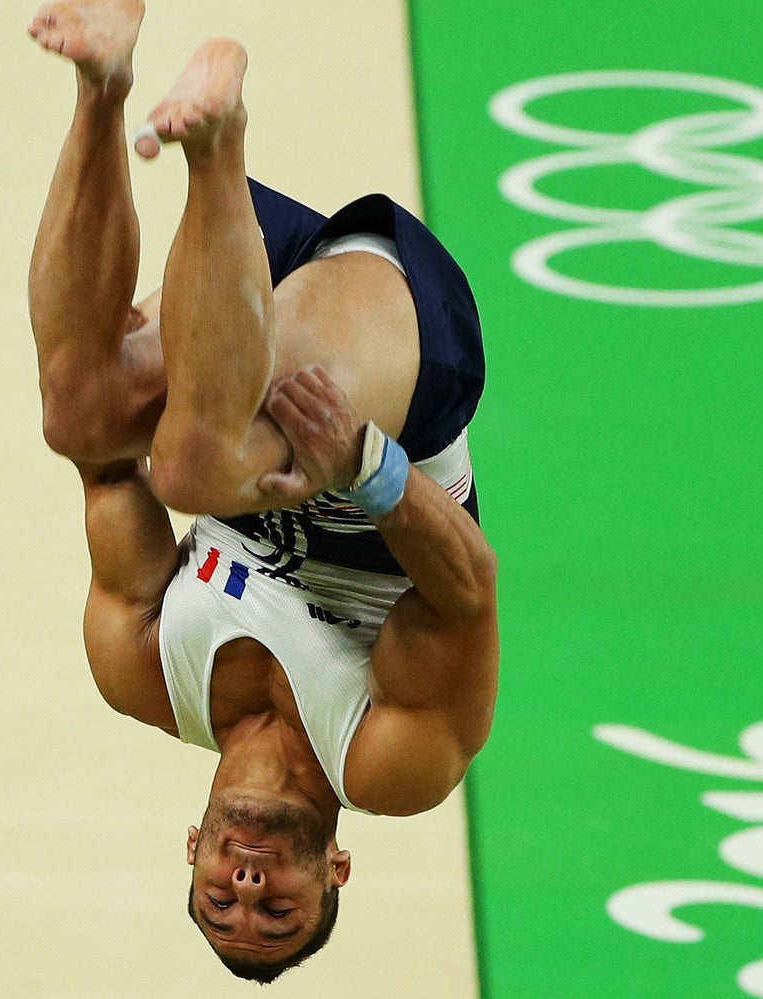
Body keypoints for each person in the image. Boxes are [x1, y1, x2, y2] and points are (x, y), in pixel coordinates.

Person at [27, 0, 500, 982]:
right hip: (396, 376)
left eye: (218, 898)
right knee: (205, 466)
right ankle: (215, 141)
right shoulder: (384, 764)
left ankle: (102, 84)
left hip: (235, 310)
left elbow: (102, 463)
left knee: (84, 414)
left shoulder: (144, 671)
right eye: (278, 909)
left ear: (190, 849)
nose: (247, 887)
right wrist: (368, 471)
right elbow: (466, 592)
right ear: (334, 867)